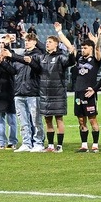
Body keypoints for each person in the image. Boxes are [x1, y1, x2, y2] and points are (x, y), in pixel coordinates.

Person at [39, 21, 76, 152]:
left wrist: (71, 53)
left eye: (49, 42)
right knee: (48, 120)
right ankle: (50, 145)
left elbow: (71, 62)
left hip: (58, 92)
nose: (47, 43)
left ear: (56, 44)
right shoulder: (43, 57)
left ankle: (59, 145)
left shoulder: (61, 57)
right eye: (46, 42)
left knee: (59, 119)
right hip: (45, 94)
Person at [10, 32, 45, 152]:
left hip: (33, 92)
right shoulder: (21, 55)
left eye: (29, 40)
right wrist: (2, 62)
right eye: (26, 40)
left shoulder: (39, 55)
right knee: (23, 121)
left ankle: (38, 142)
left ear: (35, 42)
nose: (27, 42)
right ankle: (26, 142)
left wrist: (12, 55)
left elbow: (38, 68)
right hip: (19, 91)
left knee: (36, 120)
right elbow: (13, 71)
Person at [72, 29, 101, 153]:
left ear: (90, 48)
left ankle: (95, 145)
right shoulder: (80, 59)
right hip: (78, 92)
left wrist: (99, 35)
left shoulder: (96, 59)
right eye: (82, 48)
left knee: (92, 119)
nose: (82, 50)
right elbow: (71, 48)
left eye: (85, 48)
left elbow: (98, 48)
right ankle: (84, 145)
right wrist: (59, 32)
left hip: (89, 92)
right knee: (80, 119)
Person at [0, 40, 19, 150]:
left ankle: (12, 142)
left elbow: (13, 71)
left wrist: (2, 62)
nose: (0, 50)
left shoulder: (11, 61)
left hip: (9, 93)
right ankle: (0, 142)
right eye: (0, 47)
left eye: (3, 48)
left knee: (11, 120)